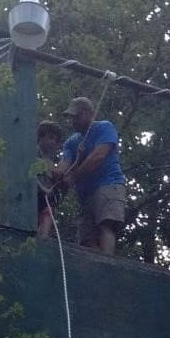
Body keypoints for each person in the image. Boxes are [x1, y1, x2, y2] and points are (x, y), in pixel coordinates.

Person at [55, 96, 126, 255]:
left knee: (105, 225)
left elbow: (98, 157)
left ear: (89, 113)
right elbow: (65, 163)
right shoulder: (71, 142)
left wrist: (73, 177)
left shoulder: (104, 128)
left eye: (77, 116)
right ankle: (95, 270)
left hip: (108, 185)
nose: (73, 121)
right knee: (87, 238)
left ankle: (107, 262)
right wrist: (56, 174)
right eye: (72, 118)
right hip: (86, 195)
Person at [36, 120, 64, 238]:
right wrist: (43, 188)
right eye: (50, 138)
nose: (52, 142)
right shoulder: (34, 153)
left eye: (55, 140)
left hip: (46, 199)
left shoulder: (51, 162)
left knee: (49, 211)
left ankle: (43, 237)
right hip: (33, 195)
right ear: (41, 137)